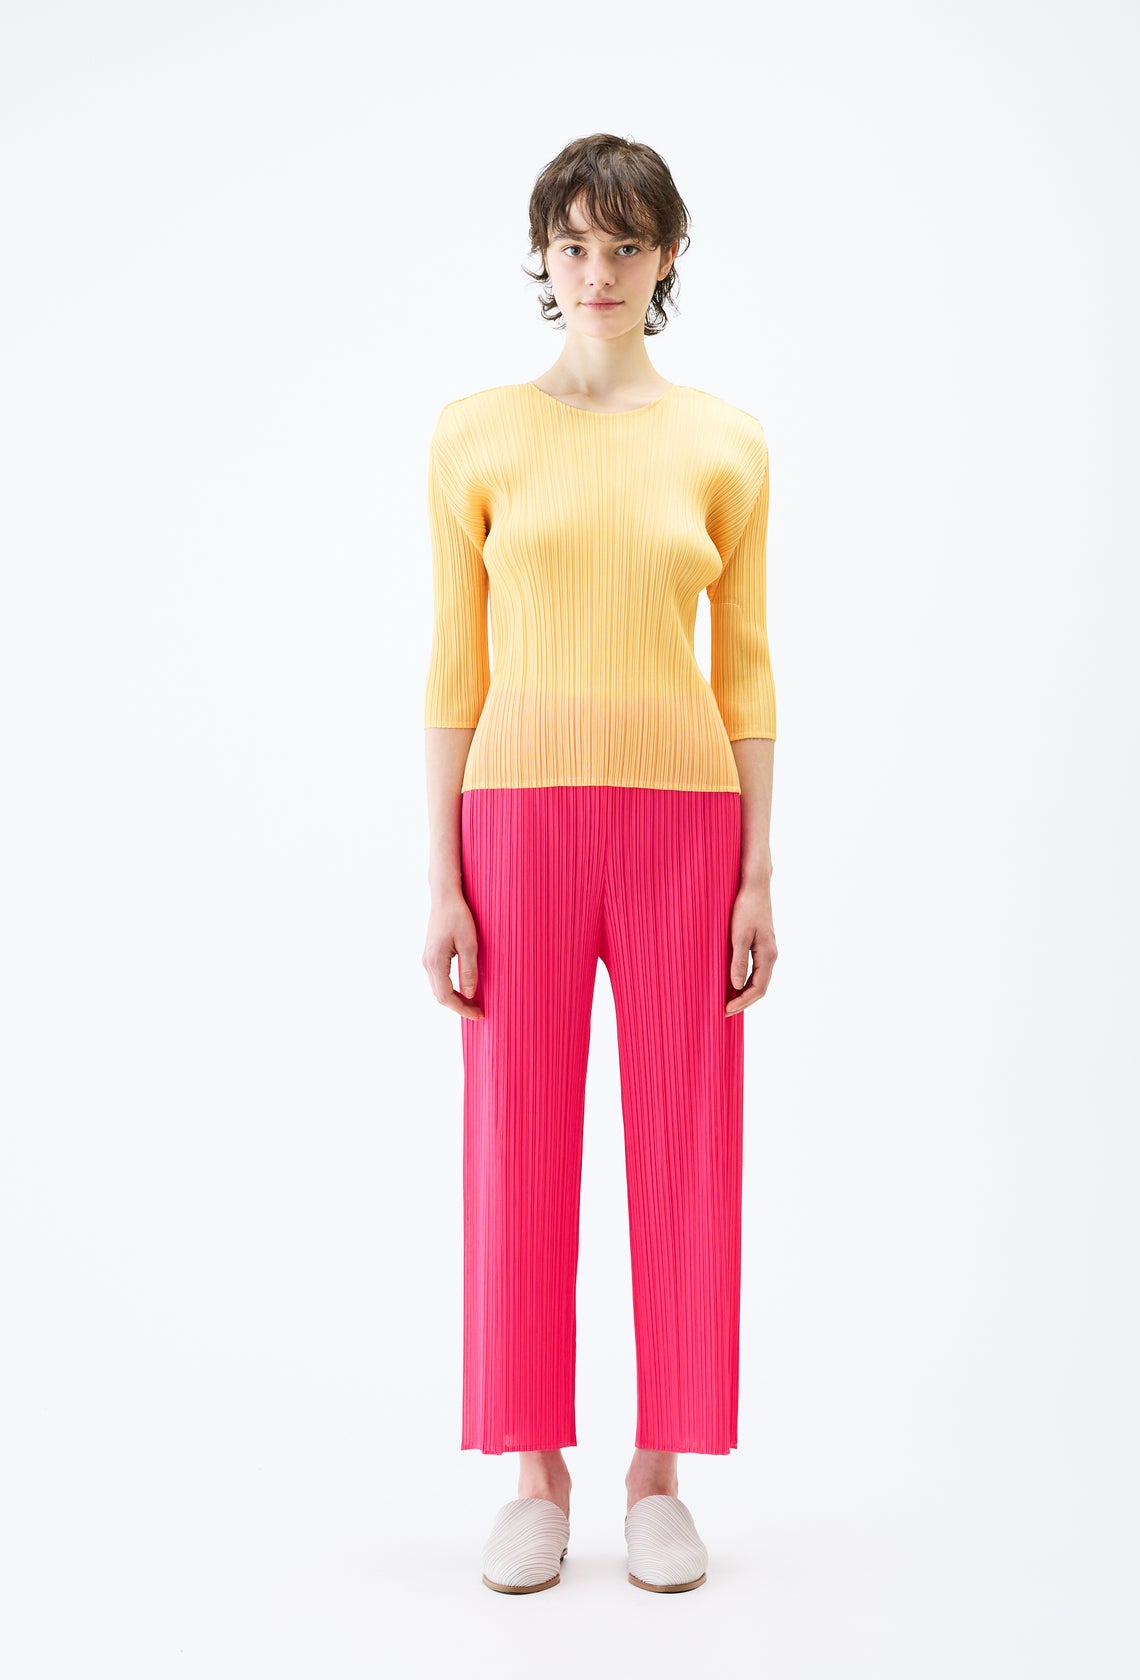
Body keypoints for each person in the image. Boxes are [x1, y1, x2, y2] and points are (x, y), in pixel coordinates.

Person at [421, 133, 778, 1594]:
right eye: (575, 244)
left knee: (688, 1140)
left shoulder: (725, 445)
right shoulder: (476, 437)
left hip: (688, 818)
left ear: (667, 257)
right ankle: (534, 1471)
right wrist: (441, 880)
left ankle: (659, 1475)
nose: (599, 271)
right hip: (516, 817)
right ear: (544, 258)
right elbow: (453, 666)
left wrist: (759, 873)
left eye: (627, 244)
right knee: (517, 1137)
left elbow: (745, 670)